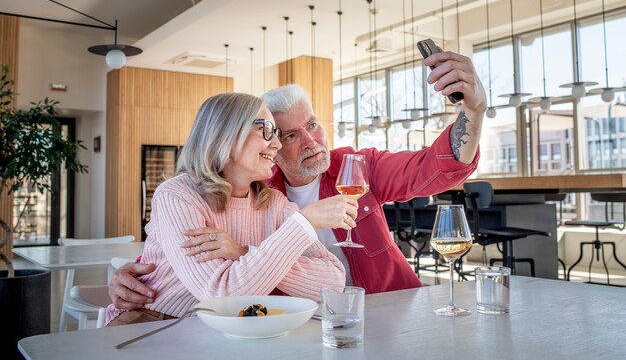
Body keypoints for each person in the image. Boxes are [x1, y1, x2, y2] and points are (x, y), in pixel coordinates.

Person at [109, 48, 486, 310]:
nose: (310, 141)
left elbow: (436, 166)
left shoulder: (355, 167)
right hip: (296, 321)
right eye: (287, 135)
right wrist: (126, 278)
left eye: (312, 125)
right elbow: (185, 255)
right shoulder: (257, 190)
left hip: (385, 304)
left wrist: (474, 110)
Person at [106, 93, 356, 325]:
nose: (277, 145)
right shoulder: (177, 196)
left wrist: (242, 252)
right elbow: (220, 295)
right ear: (225, 134)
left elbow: (334, 282)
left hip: (222, 331)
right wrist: (303, 224)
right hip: (149, 325)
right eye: (266, 130)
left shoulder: (274, 203)